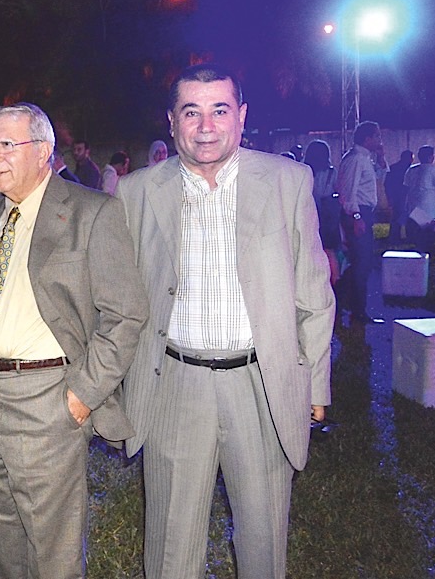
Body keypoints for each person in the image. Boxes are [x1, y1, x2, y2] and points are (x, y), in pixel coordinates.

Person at [116, 64, 335, 579]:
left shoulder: (286, 181)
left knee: (263, 539)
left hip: (261, 384)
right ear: (172, 121)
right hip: (173, 383)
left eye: (219, 110)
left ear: (242, 116)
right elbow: (122, 299)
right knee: (170, 547)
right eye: (191, 112)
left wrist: (315, 383)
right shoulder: (136, 191)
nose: (206, 126)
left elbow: (313, 292)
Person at [0, 103, 148, 578]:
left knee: (52, 548)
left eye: (6, 145)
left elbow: (126, 314)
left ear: (43, 151)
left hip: (46, 400)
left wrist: (82, 395)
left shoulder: (91, 212)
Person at [337, 120, 388, 323]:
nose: (379, 140)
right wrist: (356, 217)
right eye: (377, 136)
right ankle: (354, 309)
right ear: (367, 138)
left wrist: (381, 158)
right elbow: (348, 192)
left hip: (363, 213)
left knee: (362, 263)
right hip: (357, 214)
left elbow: (377, 177)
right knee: (361, 263)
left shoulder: (365, 158)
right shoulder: (356, 159)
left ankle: (347, 304)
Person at [303, 139, 342, 285]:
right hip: (327, 216)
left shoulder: (303, 170)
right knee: (329, 250)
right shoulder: (332, 172)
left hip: (306, 212)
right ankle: (334, 281)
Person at [404, 145, 435, 253]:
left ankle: (419, 252)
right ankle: (426, 254)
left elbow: (406, 187)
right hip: (429, 209)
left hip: (413, 208)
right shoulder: (434, 170)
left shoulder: (411, 170)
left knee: (417, 235)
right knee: (429, 235)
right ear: (431, 157)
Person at [385, 149, 413, 243]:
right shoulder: (410, 169)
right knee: (405, 216)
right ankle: (407, 236)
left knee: (396, 216)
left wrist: (389, 196)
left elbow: (387, 184)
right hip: (404, 195)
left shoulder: (393, 168)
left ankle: (394, 236)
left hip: (396, 195)